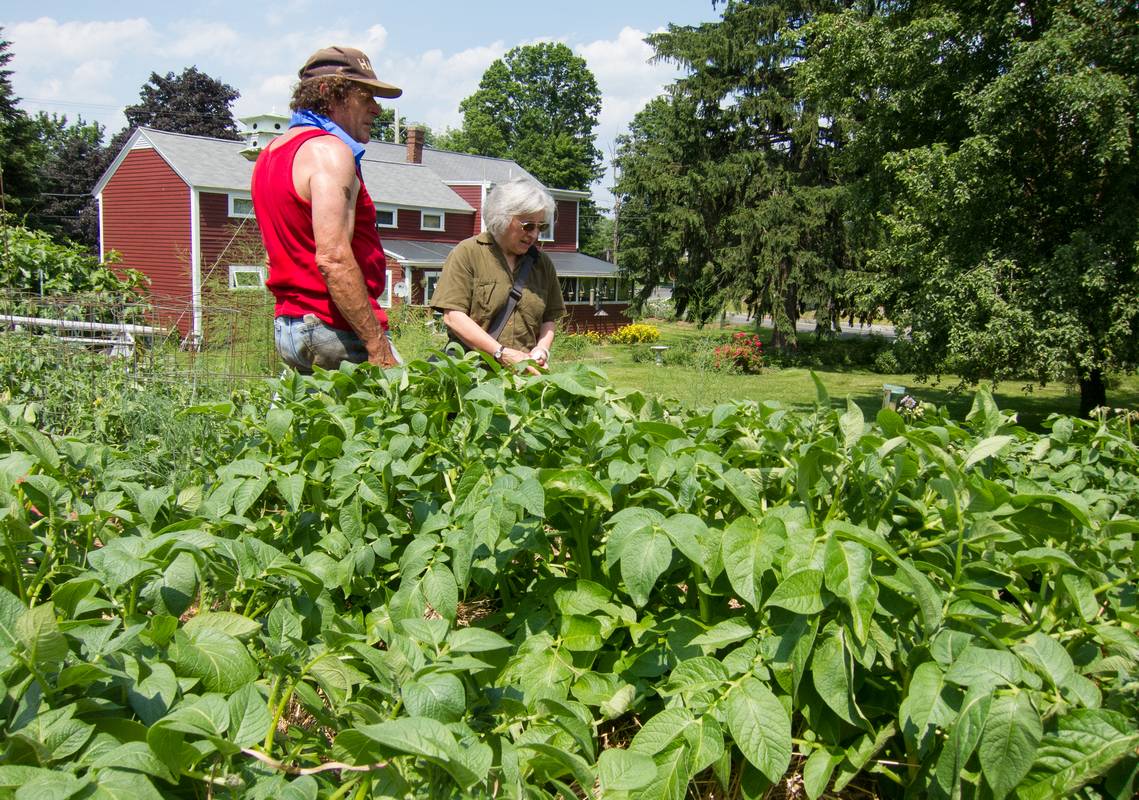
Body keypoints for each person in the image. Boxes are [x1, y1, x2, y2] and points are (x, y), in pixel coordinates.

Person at [251, 45, 401, 373]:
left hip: (290, 327)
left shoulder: (272, 154)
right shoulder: (330, 152)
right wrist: (378, 346)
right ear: (328, 94)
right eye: (366, 97)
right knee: (403, 413)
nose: (376, 109)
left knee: (316, 423)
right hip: (333, 327)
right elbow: (333, 258)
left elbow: (272, 254)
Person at [431, 178, 564, 371]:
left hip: (523, 376)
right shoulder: (468, 253)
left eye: (541, 226)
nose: (535, 234)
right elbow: (453, 316)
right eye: (528, 226)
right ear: (501, 218)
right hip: (471, 375)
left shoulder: (542, 264)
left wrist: (542, 350)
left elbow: (548, 319)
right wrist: (501, 353)